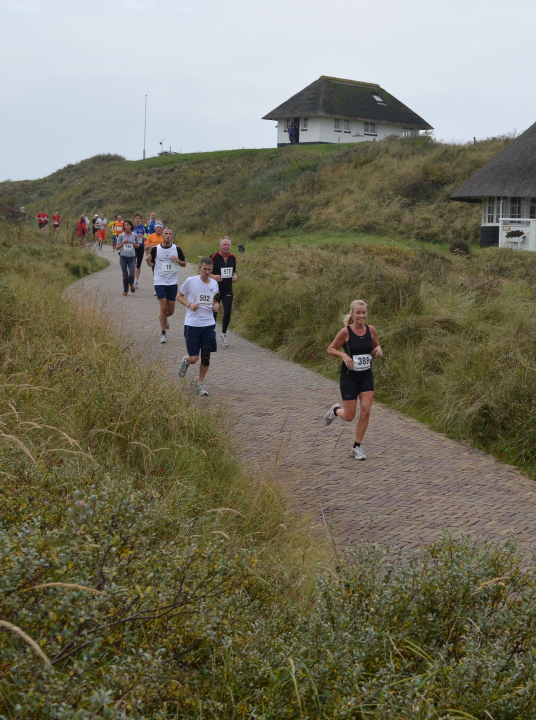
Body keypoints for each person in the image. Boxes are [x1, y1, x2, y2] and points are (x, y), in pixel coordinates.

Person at [324, 300, 383, 460]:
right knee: (350, 416)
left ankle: (356, 447)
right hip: (349, 377)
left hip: (366, 376)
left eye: (364, 312)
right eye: (358, 313)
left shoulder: (371, 330)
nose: (361, 316)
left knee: (366, 410)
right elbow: (331, 349)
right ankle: (335, 411)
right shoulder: (345, 332)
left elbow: (376, 345)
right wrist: (344, 355)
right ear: (352, 314)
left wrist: (378, 349)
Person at [177, 258, 219, 396]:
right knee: (194, 358)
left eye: (209, 270)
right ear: (200, 268)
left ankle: (200, 384)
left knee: (206, 356)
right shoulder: (191, 281)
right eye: (204, 269)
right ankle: (186, 361)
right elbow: (179, 296)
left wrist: (216, 305)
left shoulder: (214, 283)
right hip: (192, 324)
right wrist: (190, 305)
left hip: (208, 324)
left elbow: (213, 299)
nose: (207, 272)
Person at [146, 227, 186, 343]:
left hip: (172, 282)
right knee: (163, 307)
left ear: (172, 236)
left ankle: (162, 317)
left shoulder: (177, 249)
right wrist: (148, 260)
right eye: (166, 234)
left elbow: (184, 264)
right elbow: (150, 264)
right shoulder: (156, 249)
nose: (168, 235)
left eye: (170, 234)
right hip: (160, 281)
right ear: (162, 236)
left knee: (171, 311)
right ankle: (163, 333)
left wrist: (177, 260)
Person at [210, 236, 237, 347]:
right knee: (214, 311)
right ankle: (211, 333)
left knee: (228, 311)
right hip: (215, 288)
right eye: (224, 245)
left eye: (228, 245)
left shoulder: (233, 258)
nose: (226, 247)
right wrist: (214, 276)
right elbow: (205, 271)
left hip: (227, 288)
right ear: (220, 246)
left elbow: (234, 271)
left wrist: (235, 276)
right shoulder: (213, 257)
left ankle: (223, 334)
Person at [116, 220, 140, 296]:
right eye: (125, 225)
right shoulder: (121, 236)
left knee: (131, 275)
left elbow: (138, 245)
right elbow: (117, 247)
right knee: (125, 275)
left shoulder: (135, 235)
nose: (126, 227)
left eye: (127, 225)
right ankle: (125, 290)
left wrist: (135, 244)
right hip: (123, 257)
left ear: (131, 226)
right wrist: (123, 243)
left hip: (132, 257)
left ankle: (131, 284)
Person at [132, 213, 149, 287]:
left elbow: (149, 237)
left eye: (139, 218)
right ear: (134, 219)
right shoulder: (132, 227)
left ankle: (137, 280)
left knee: (138, 265)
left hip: (141, 247)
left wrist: (143, 237)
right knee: (133, 264)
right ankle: (132, 280)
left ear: (141, 219)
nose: (137, 220)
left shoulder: (144, 227)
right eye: (136, 218)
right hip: (133, 247)